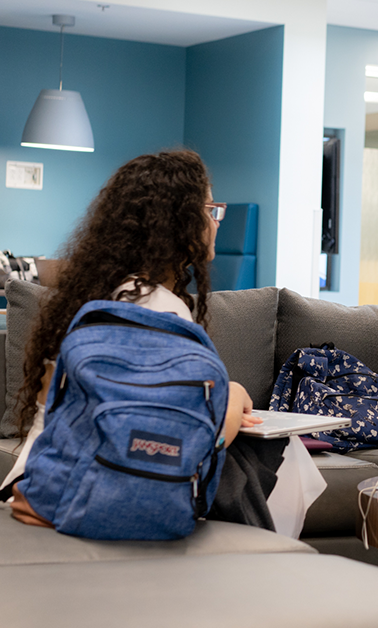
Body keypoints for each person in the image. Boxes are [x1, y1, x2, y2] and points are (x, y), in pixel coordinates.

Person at [2, 150, 324, 537]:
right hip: (85, 487)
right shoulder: (159, 308)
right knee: (287, 457)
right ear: (178, 222)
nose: (215, 221)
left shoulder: (95, 295)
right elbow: (194, 435)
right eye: (209, 209)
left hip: (40, 475)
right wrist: (233, 395)